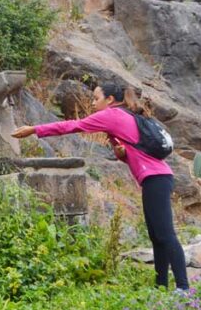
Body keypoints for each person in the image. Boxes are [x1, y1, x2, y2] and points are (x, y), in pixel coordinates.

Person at [11, 83, 189, 292]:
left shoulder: (112, 115)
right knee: (157, 236)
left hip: (156, 178)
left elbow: (73, 126)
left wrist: (34, 130)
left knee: (165, 235)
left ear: (110, 100)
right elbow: (137, 154)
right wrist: (122, 155)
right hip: (157, 177)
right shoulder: (125, 116)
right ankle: (161, 287)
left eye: (96, 99)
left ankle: (183, 289)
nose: (93, 103)